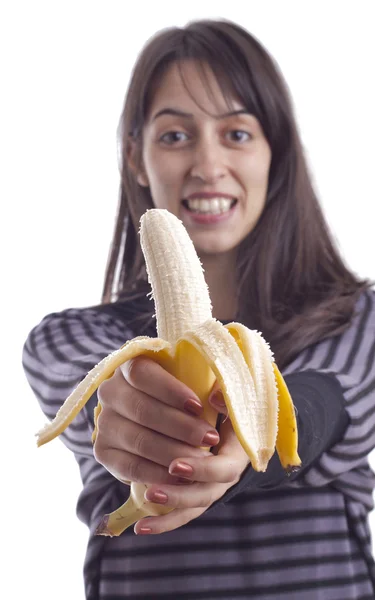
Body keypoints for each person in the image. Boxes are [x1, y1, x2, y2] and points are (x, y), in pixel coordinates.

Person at [23, 18, 375, 600]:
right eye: (175, 136)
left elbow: (330, 402)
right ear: (136, 159)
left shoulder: (360, 321)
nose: (208, 166)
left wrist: (249, 439)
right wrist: (135, 415)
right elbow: (96, 394)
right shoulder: (67, 341)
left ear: (274, 154)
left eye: (236, 134)